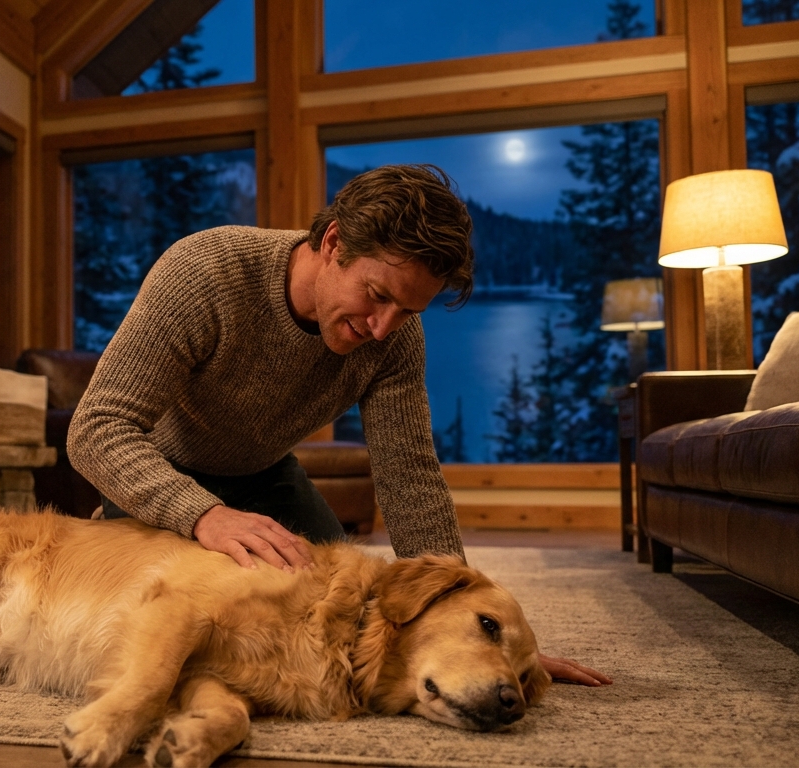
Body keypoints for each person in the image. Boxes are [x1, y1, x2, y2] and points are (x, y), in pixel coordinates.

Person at [66, 164, 611, 687]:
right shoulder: (206, 270)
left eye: (408, 311)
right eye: (378, 296)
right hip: (159, 471)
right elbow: (95, 428)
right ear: (332, 243)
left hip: (263, 474)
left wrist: (480, 630)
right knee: (180, 624)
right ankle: (111, 527)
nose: (383, 329)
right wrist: (205, 515)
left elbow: (410, 478)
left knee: (346, 614)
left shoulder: (393, 339)